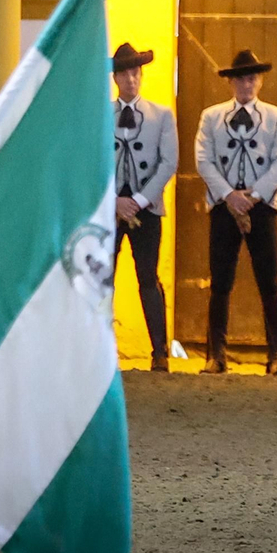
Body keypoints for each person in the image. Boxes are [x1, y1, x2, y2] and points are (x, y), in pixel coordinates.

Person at [194, 49, 277, 375]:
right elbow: (203, 160)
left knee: (269, 282)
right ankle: (216, 354)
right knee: (220, 282)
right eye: (240, 79)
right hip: (224, 205)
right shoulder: (212, 117)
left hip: (260, 206)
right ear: (231, 83)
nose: (246, 85)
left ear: (260, 81)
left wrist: (253, 195)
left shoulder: (276, 117)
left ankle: (276, 355)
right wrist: (228, 195)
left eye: (251, 79)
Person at [109, 42, 178, 372]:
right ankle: (100, 351)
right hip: (109, 209)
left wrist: (137, 200)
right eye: (124, 73)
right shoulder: (100, 115)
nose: (131, 79)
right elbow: (89, 163)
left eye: (135, 72)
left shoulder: (161, 115)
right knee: (102, 279)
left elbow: (168, 163)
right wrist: (113, 200)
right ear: (116, 78)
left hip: (146, 209)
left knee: (148, 277)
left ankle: (159, 351)